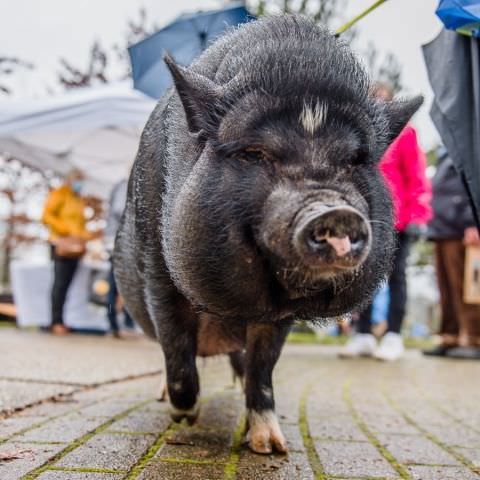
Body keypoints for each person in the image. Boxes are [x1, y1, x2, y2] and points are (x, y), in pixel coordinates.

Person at [340, 83, 432, 361]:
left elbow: (417, 176)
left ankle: (393, 335)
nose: (378, 102)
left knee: (396, 278)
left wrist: (418, 214)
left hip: (398, 222)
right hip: (364, 220)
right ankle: (363, 334)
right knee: (362, 277)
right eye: (373, 99)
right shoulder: (355, 135)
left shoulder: (405, 134)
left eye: (383, 99)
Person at [423, 147, 480, 359]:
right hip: (442, 227)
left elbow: (474, 181)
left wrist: (473, 221)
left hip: (462, 228)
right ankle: (451, 336)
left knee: (467, 287)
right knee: (446, 288)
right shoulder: (444, 150)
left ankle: (474, 337)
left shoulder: (469, 141)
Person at [42, 169, 99, 335]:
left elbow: (80, 225)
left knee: (66, 284)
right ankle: (55, 321)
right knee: (60, 283)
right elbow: (46, 216)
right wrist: (66, 231)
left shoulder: (78, 199)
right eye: (78, 179)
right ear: (70, 179)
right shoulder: (60, 194)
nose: (79, 183)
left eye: (81, 180)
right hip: (62, 244)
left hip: (76, 246)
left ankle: (61, 319)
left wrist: (86, 236)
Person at [104, 178, 135, 338]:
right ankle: (113, 324)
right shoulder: (123, 185)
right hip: (118, 244)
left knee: (131, 285)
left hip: (127, 243)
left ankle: (128, 325)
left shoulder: (129, 184)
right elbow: (119, 210)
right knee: (115, 286)